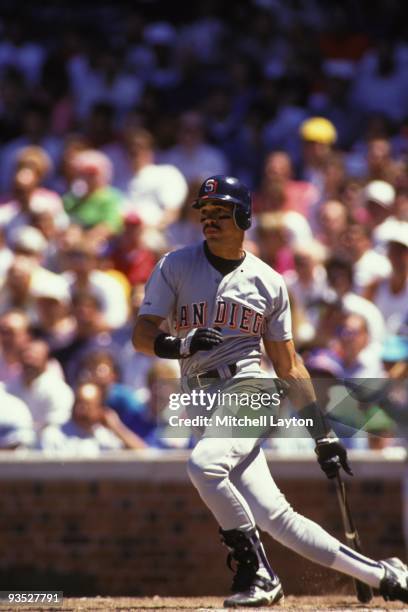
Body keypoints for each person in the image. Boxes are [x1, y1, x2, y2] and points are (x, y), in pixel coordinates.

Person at [132, 175, 408, 607]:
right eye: (205, 214)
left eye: (221, 213)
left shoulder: (268, 281)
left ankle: (257, 572)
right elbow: (141, 335)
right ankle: (381, 573)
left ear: (244, 216)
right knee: (275, 517)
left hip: (250, 386)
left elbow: (288, 364)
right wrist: (179, 344)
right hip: (202, 395)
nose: (211, 221)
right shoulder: (175, 265)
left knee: (204, 467)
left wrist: (323, 433)